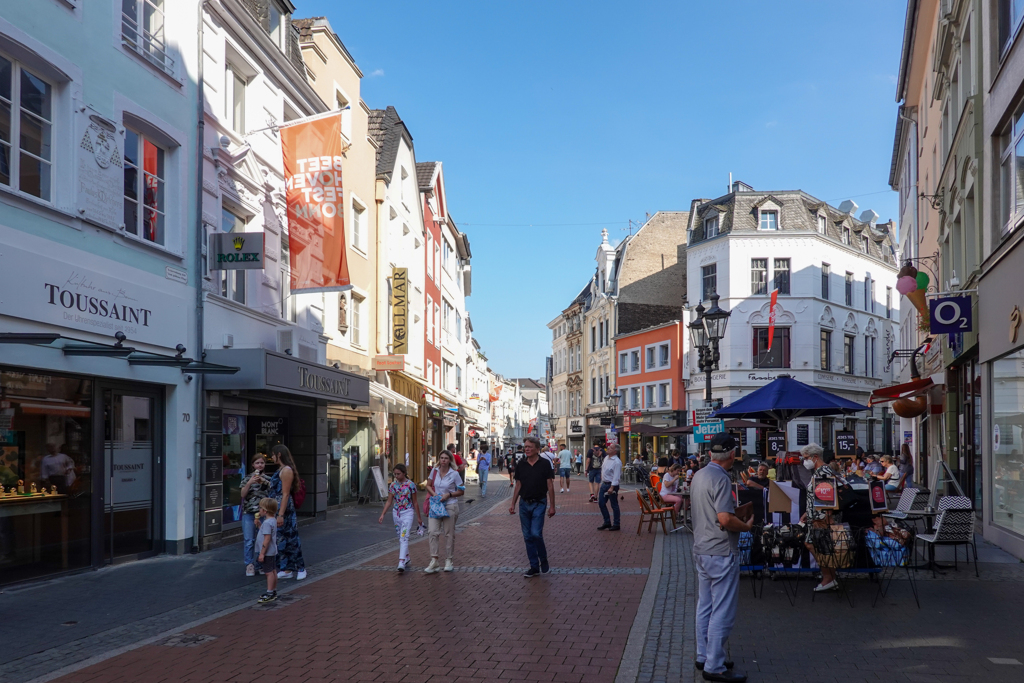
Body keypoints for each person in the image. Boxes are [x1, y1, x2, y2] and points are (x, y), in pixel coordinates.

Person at [690, 433, 751, 682]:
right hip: (721, 550)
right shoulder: (721, 479)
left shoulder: (699, 475)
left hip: (702, 548)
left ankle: (703, 655)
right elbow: (725, 519)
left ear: (710, 453)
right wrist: (746, 526)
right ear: (732, 455)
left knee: (705, 605)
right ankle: (714, 666)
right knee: (722, 610)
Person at [509, 436, 556, 577]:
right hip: (524, 504)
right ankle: (534, 566)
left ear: (537, 449)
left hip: (539, 503)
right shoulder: (521, 464)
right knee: (527, 536)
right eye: (525, 447)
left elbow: (550, 485)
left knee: (536, 533)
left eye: (529, 447)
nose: (527, 449)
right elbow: (518, 485)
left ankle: (543, 558)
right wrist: (513, 503)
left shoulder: (545, 464)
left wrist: (552, 506)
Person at [798, 443, 841, 593]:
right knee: (820, 546)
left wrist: (828, 516)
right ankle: (830, 576)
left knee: (816, 545)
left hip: (820, 517)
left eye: (806, 458)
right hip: (815, 515)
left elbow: (828, 495)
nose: (805, 461)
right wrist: (807, 512)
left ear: (815, 457)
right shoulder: (820, 471)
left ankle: (828, 577)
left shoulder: (823, 471)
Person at [269, 444, 306, 581]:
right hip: (277, 509)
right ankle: (286, 568)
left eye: (273, 454)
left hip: (284, 510)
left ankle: (301, 568)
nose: (271, 457)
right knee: (281, 540)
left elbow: (285, 494)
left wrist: (281, 514)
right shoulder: (281, 469)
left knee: (291, 539)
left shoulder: (286, 470)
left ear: (279, 455)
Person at [424, 450, 464, 573]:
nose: (443, 460)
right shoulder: (434, 471)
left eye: (446, 458)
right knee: (432, 532)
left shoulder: (454, 474)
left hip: (450, 505)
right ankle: (434, 560)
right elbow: (428, 485)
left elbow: (461, 491)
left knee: (449, 534)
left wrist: (449, 494)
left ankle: (448, 560)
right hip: (436, 505)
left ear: (450, 460)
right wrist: (435, 494)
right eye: (441, 458)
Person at [379, 463, 422, 571]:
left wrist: (419, 517)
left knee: (404, 536)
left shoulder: (411, 485)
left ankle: (401, 561)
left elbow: (415, 502)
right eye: (395, 474)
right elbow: (389, 501)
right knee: (400, 536)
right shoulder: (393, 485)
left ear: (404, 473)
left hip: (408, 512)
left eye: (398, 474)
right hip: (396, 513)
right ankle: (407, 557)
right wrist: (383, 514)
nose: (396, 476)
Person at [240, 454, 271, 576]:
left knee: (262, 540)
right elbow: (242, 494)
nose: (260, 465)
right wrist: (249, 482)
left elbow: (272, 491)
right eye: (257, 463)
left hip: (264, 513)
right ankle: (249, 565)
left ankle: (260, 564)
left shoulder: (267, 479)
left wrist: (264, 482)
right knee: (249, 540)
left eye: (262, 463)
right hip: (249, 513)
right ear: (253, 465)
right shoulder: (247, 478)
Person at [256, 498, 280, 604]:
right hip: (272, 550)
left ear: (265, 511)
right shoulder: (272, 521)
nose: (259, 510)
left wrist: (262, 553)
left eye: (260, 508)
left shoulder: (267, 523)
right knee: (273, 570)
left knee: (268, 572)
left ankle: (269, 592)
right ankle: (273, 590)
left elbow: (267, 538)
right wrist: (259, 526)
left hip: (267, 551)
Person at [597, 442, 623, 531]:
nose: (608, 448)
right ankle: (607, 522)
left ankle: (616, 523)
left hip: (611, 485)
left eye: (611, 448)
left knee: (614, 505)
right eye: (609, 447)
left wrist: (612, 487)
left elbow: (616, 476)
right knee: (601, 503)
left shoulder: (617, 462)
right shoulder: (606, 458)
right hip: (604, 484)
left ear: (615, 451)